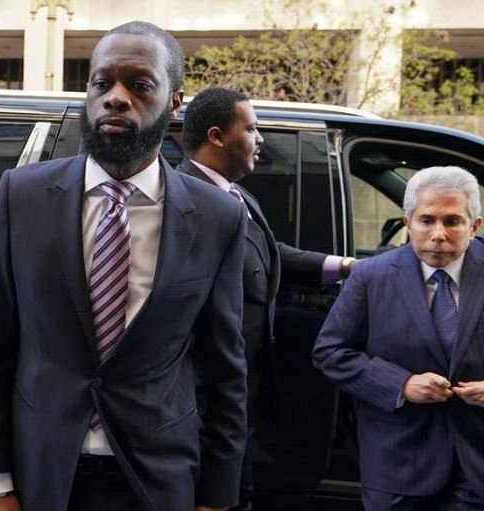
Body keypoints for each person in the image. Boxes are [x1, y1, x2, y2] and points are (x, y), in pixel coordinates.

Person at [0, 22, 248, 511]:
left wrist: (216, 496)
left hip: (157, 475)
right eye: (102, 83)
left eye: (139, 85)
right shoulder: (22, 196)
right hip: (42, 471)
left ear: (175, 102)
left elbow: (225, 369)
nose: (115, 98)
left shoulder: (217, 215)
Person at [312, 165, 484, 510]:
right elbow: (330, 352)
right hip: (398, 466)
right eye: (426, 220)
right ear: (407, 222)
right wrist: (402, 384)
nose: (438, 234)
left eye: (452, 221)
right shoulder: (372, 276)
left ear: (474, 226)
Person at [177, 87, 357, 510]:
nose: (261, 139)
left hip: (239, 399)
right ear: (218, 136)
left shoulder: (238, 197)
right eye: (252, 129)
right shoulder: (181, 201)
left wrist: (345, 267)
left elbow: (270, 254)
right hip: (202, 405)